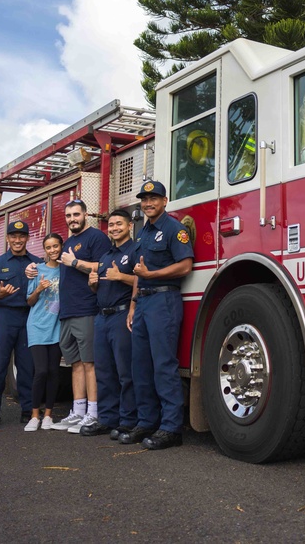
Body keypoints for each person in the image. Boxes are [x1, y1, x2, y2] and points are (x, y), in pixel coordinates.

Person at [119, 181, 193, 450]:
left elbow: (185, 265)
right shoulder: (143, 233)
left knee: (163, 365)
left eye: (153, 198)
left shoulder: (175, 229)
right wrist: (133, 305)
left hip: (164, 300)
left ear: (164, 201)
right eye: (144, 199)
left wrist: (152, 276)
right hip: (144, 304)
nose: (148, 203)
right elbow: (140, 271)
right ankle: (146, 421)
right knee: (141, 366)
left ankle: (171, 428)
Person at [48, 199, 111, 433]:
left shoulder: (96, 238)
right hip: (67, 312)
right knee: (75, 364)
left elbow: (103, 267)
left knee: (89, 363)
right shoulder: (69, 242)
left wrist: (74, 262)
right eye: (68, 215)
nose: (72, 219)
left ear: (86, 214)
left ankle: (93, 414)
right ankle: (78, 411)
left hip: (86, 309)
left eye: (76, 214)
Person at [0, 220, 41, 430]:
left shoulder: (37, 263)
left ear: (27, 238)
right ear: (7, 239)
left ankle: (28, 410)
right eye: (13, 236)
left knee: (27, 367)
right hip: (4, 318)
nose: (17, 240)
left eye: (21, 236)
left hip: (28, 318)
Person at [81, 209, 138, 438]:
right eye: (111, 225)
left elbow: (143, 278)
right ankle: (107, 418)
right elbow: (100, 287)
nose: (114, 228)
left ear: (129, 226)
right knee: (104, 372)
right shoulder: (105, 256)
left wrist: (121, 277)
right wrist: (93, 283)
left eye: (119, 224)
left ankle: (128, 421)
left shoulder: (134, 251)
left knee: (125, 372)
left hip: (121, 316)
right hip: (101, 317)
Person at [23, 233, 64, 432]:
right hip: (37, 326)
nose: (53, 250)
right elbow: (29, 301)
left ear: (61, 246)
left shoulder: (66, 271)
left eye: (56, 246)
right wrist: (38, 288)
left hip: (57, 327)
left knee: (54, 371)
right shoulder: (36, 270)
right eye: (48, 247)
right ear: (44, 250)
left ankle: (48, 414)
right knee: (41, 371)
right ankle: (34, 415)